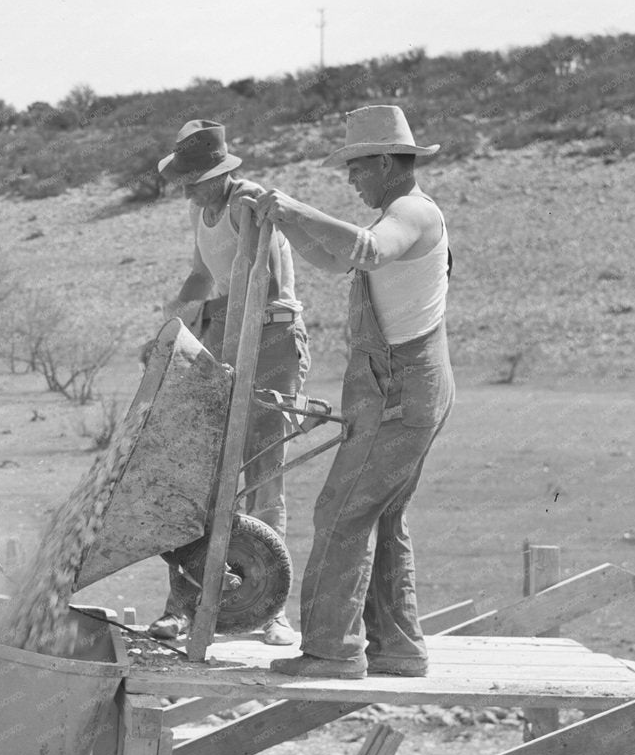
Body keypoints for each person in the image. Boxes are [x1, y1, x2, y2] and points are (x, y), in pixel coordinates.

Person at [253, 105, 454, 679]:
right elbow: (330, 256)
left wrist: (296, 207)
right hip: (399, 385)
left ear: (387, 162)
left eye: (358, 168)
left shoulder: (411, 212)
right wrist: (279, 217)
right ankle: (397, 646)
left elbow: (366, 250)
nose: (351, 179)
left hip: (401, 388)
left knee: (341, 513)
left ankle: (332, 651)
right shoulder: (400, 212)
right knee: (379, 516)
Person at [147, 119, 309, 646]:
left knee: (264, 472)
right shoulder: (204, 210)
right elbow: (202, 278)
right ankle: (186, 603)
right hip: (227, 333)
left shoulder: (248, 204)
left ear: (217, 173)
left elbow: (263, 285)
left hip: (272, 339)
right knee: (203, 471)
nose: (184, 189)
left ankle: (271, 610)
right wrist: (168, 328)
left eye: (191, 179)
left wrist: (216, 330)